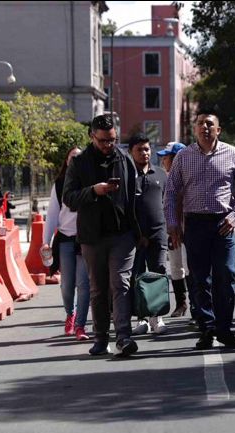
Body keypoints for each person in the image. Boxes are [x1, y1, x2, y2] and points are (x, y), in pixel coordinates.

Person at [164, 110, 235, 350]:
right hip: (195, 224)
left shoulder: (231, 153)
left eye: (210, 124)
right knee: (200, 278)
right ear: (194, 129)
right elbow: (171, 192)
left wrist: (234, 217)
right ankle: (207, 328)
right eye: (200, 123)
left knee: (226, 275)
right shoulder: (183, 156)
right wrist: (173, 225)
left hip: (224, 224)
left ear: (218, 130)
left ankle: (224, 329)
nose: (205, 127)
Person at [63, 114, 141, 357]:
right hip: (92, 237)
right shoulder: (79, 162)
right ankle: (100, 338)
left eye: (112, 140)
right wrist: (93, 191)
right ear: (91, 137)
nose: (108, 145)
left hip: (122, 235)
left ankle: (124, 337)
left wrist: (139, 232)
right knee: (98, 289)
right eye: (103, 140)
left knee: (121, 284)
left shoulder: (124, 159)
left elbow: (134, 196)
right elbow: (69, 198)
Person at [42, 147, 90, 341]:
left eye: (79, 157)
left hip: (86, 240)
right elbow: (52, 215)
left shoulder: (89, 181)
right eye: (72, 157)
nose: (75, 160)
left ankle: (80, 325)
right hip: (66, 240)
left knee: (84, 284)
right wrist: (45, 242)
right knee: (67, 286)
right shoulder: (60, 184)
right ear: (67, 161)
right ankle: (70, 313)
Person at [128, 133, 169, 336]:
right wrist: (136, 234)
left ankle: (157, 316)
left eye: (147, 149)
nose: (144, 153)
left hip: (158, 234)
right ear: (131, 152)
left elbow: (167, 204)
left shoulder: (161, 174)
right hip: (134, 237)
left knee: (158, 273)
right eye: (139, 150)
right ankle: (142, 318)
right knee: (137, 277)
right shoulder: (127, 175)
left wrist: (172, 229)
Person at [157, 141, 194, 322]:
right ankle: (181, 303)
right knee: (175, 266)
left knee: (190, 267)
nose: (163, 161)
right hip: (171, 229)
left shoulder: (189, 176)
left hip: (189, 229)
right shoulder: (165, 178)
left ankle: (196, 304)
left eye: (166, 157)